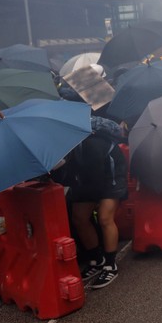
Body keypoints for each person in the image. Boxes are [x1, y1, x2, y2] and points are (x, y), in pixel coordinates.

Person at [61, 116, 128, 289]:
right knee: (79, 217)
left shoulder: (92, 143)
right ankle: (97, 259)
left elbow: (95, 177)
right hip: (89, 179)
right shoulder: (68, 146)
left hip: (111, 176)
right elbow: (70, 175)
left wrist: (96, 202)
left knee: (105, 217)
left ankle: (110, 265)